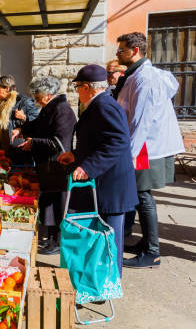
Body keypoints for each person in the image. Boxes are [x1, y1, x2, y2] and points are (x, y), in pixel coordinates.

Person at [58, 64, 138, 277]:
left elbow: (118, 142)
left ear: (88, 87)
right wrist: (76, 155)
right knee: (104, 236)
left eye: (78, 87)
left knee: (109, 238)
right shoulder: (98, 104)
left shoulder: (104, 105)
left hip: (112, 185)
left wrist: (88, 166)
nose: (77, 92)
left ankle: (108, 284)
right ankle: (101, 281)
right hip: (107, 183)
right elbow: (99, 140)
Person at [114, 32, 184, 268]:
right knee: (141, 196)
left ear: (135, 51)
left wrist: (129, 155)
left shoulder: (145, 78)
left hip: (146, 146)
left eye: (121, 50)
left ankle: (152, 251)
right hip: (146, 144)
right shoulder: (138, 75)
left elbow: (141, 120)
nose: (118, 54)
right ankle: (146, 243)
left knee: (143, 196)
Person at [13, 76, 76, 255]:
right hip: (48, 166)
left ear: (48, 95)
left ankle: (57, 242)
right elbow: (38, 125)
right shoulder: (50, 108)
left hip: (58, 165)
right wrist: (22, 129)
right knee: (50, 202)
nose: (35, 100)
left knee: (58, 204)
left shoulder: (62, 110)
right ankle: (52, 239)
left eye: (37, 96)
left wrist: (33, 143)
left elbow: (58, 143)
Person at [0, 75, 38, 163]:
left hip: (18, 148)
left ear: (7, 88)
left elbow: (36, 122)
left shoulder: (24, 101)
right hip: (1, 148)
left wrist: (24, 118)